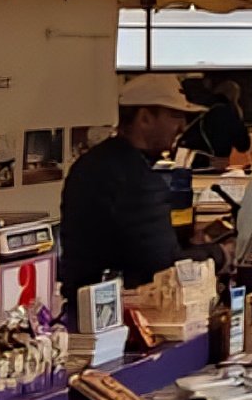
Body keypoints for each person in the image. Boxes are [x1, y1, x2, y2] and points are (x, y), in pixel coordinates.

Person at [58, 72, 195, 299]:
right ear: (144, 118)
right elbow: (163, 265)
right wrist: (219, 254)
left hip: (83, 304)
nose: (182, 126)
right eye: (174, 115)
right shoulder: (138, 181)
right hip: (122, 313)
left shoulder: (89, 163)